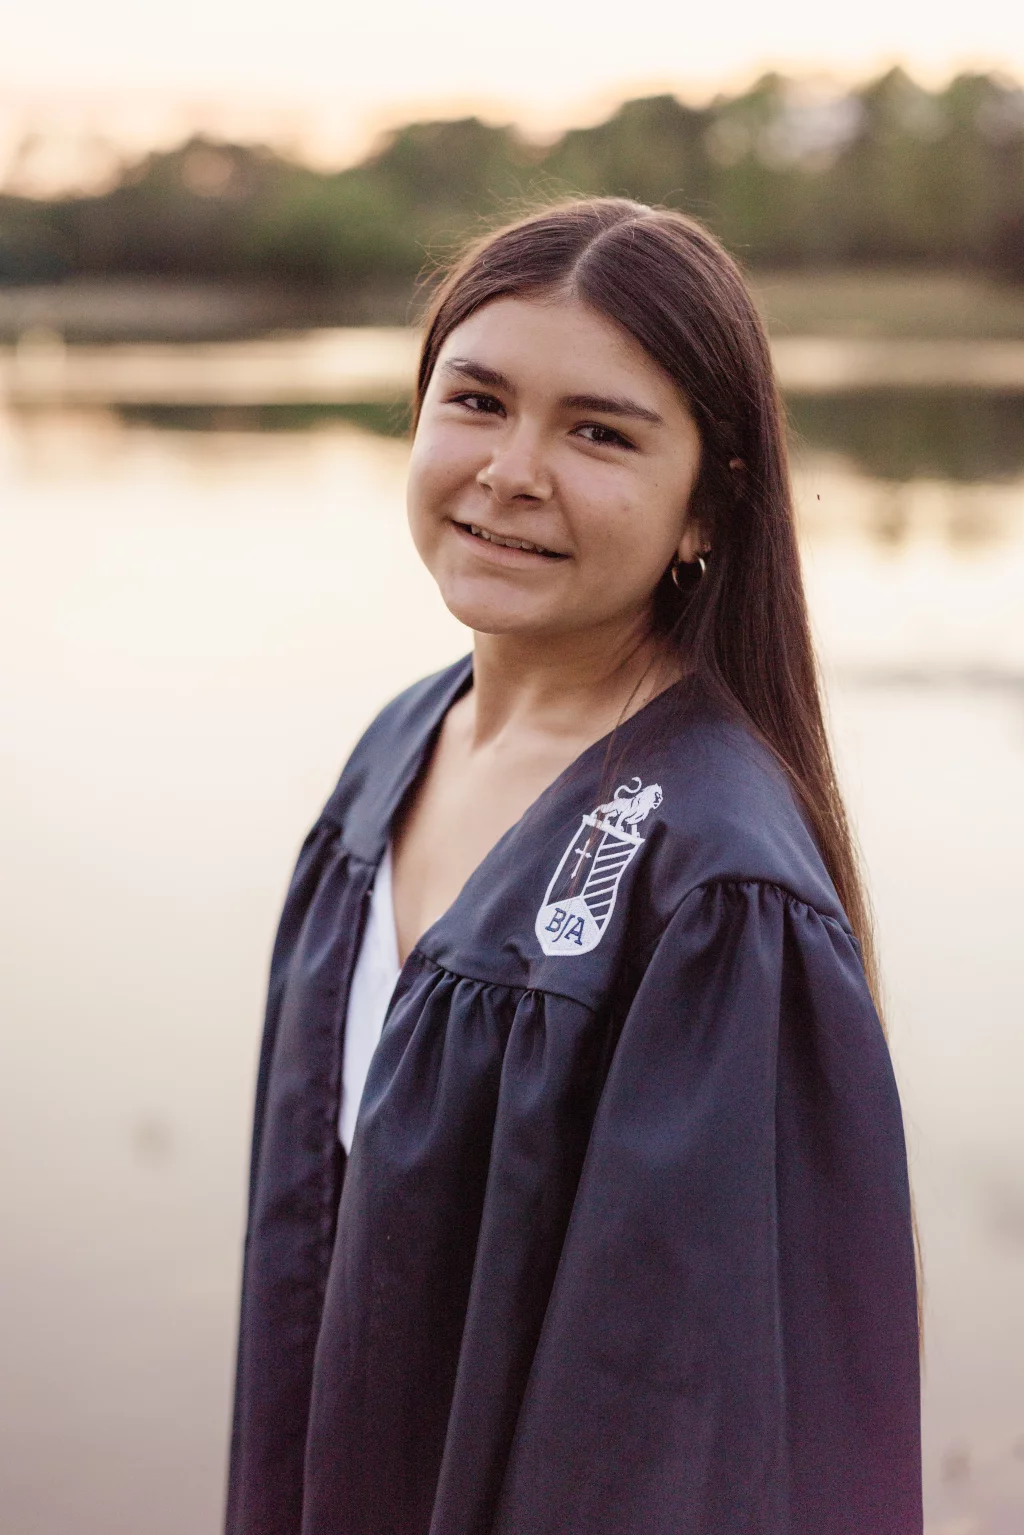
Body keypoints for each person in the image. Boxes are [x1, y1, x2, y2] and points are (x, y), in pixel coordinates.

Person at [226, 199, 922, 1535]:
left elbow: (668, 1432)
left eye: (599, 431)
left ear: (707, 504)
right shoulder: (393, 755)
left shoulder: (712, 888)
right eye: (476, 400)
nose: (511, 470)